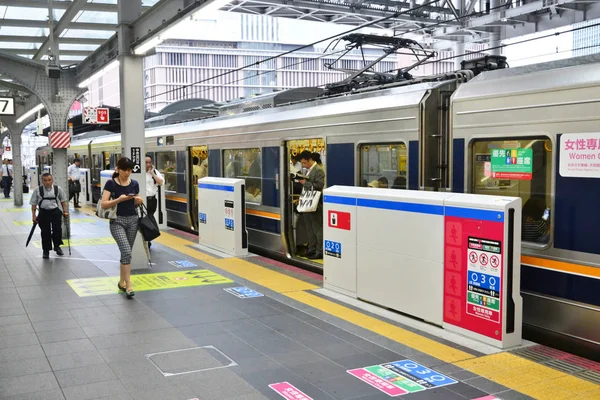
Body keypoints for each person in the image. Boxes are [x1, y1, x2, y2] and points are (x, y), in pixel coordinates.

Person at [101, 158, 143, 299]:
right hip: (116, 221)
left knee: (126, 253)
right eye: (124, 169)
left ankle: (121, 282)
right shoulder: (111, 183)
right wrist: (119, 199)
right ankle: (129, 285)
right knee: (126, 251)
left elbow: (135, 203)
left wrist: (137, 200)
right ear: (118, 169)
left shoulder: (135, 184)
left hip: (132, 220)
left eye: (130, 170)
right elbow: (104, 204)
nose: (127, 173)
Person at [30, 173, 69, 259]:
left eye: (49, 180)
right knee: (45, 232)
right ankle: (46, 250)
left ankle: (57, 247)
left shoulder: (57, 189)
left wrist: (65, 211)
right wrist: (34, 216)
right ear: (42, 181)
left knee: (57, 230)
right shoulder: (38, 190)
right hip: (43, 213)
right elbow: (33, 204)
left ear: (52, 180)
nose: (47, 182)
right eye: (45, 180)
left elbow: (63, 200)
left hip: (55, 212)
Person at [297, 150, 325, 260]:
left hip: (315, 204)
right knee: (309, 228)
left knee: (317, 228)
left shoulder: (318, 170)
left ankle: (320, 250)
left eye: (304, 163)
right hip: (307, 203)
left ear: (310, 160)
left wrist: (305, 183)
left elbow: (319, 186)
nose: (303, 165)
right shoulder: (308, 171)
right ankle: (312, 249)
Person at [145, 155, 164, 248]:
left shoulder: (155, 172)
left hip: (152, 200)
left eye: (150, 162)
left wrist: (152, 173)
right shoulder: (137, 173)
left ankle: (148, 237)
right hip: (142, 201)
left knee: (149, 218)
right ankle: (148, 238)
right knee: (145, 219)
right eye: (146, 162)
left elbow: (160, 182)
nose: (148, 164)